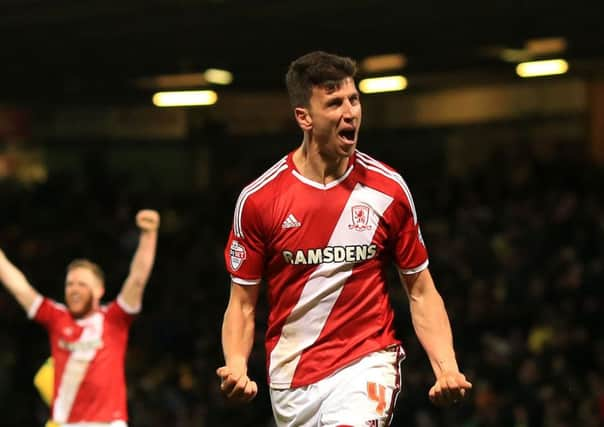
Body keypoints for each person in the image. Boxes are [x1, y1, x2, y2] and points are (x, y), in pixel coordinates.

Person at [216, 51, 472, 426]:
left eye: (354, 99)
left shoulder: (388, 190)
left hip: (366, 362)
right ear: (304, 117)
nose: (350, 112)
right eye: (334, 103)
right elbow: (241, 302)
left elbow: (420, 290)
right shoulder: (260, 200)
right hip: (292, 378)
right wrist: (236, 364)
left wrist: (446, 367)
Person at [0, 209, 160, 427]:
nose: (74, 289)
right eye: (70, 284)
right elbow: (18, 286)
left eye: (82, 284)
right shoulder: (56, 317)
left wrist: (149, 236)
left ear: (99, 290)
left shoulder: (114, 319)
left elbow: (137, 278)